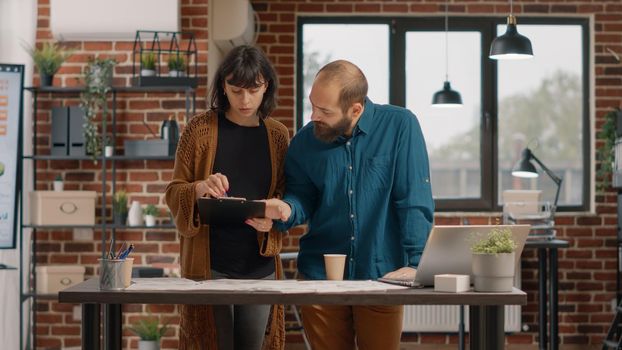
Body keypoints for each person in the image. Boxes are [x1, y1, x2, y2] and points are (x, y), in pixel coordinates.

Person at [265, 60, 434, 350]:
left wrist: (417, 264)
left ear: (356, 109)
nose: (313, 116)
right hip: (320, 276)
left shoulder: (400, 126)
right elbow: (302, 197)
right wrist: (286, 210)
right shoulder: (305, 141)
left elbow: (413, 200)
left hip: (382, 277)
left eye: (325, 111)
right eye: (312, 105)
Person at [165, 45, 289, 350]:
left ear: (266, 86)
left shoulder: (278, 135)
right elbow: (173, 191)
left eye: (253, 90)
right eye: (236, 91)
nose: (245, 100)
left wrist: (271, 219)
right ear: (223, 86)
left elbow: (285, 197)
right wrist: (199, 187)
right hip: (209, 267)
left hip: (260, 267)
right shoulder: (199, 129)